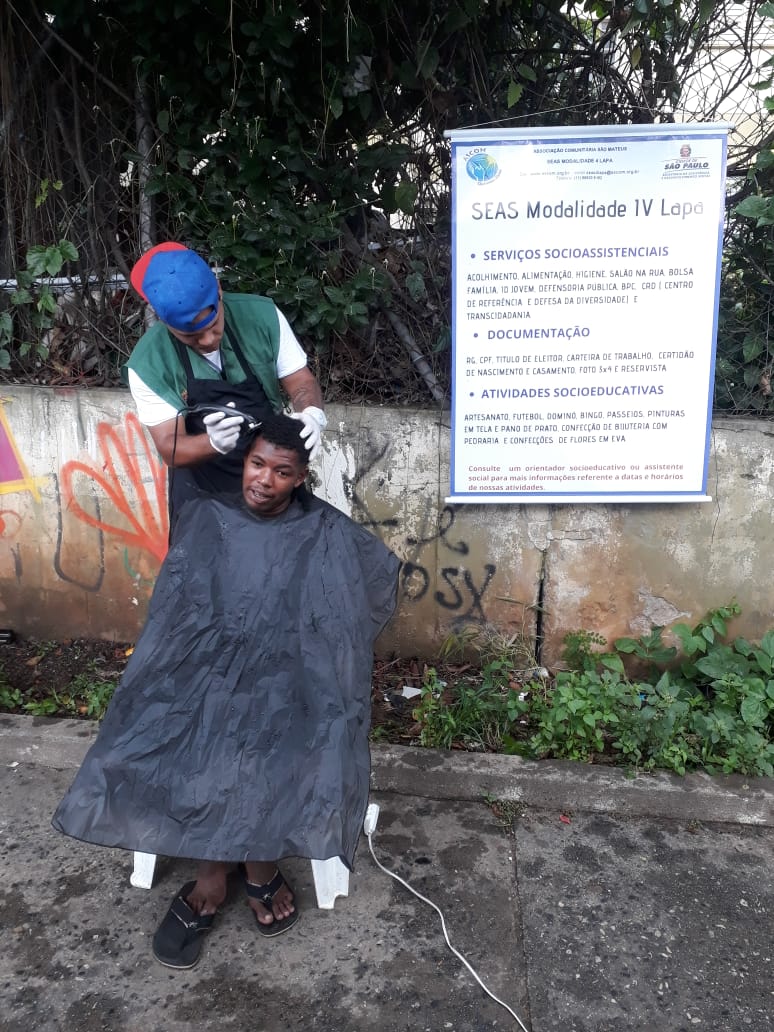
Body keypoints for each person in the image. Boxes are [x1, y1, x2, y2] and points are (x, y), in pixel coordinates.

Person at [52, 414, 400, 969]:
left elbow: (361, 597)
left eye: (282, 471)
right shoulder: (209, 518)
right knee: (204, 734)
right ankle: (216, 874)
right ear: (244, 461)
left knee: (274, 734)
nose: (263, 479)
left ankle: (251, 865)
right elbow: (177, 619)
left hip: (289, 679)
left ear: (301, 478)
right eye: (257, 463)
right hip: (208, 674)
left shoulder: (326, 531)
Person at [126, 242, 327, 528]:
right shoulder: (149, 362)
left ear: (218, 290)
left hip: (270, 487)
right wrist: (213, 443)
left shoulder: (261, 317)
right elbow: (170, 448)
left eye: (214, 324)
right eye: (192, 336)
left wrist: (312, 413)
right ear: (165, 323)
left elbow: (301, 381)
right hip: (202, 498)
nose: (208, 340)